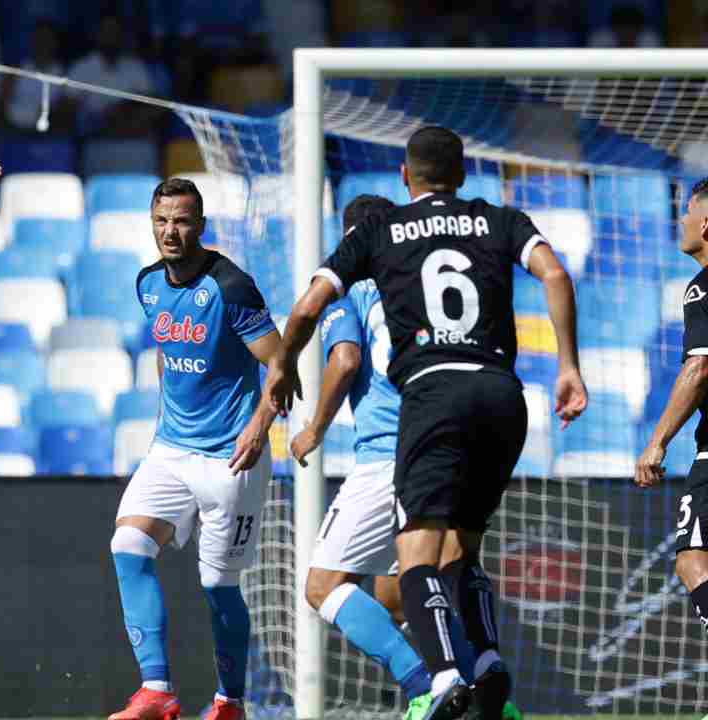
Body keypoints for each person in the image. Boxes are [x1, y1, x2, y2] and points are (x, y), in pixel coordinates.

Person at [266, 126, 587, 720]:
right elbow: (557, 275)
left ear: (405, 178)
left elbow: (313, 311)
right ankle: (486, 667)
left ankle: (434, 683)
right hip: (501, 398)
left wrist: (282, 367)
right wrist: (568, 366)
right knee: (451, 561)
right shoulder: (498, 218)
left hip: (428, 406)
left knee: (404, 562)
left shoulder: (379, 238)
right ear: (463, 175)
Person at [292, 195, 523, 720]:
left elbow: (346, 358)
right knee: (410, 588)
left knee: (323, 586)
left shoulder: (347, 285)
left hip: (385, 452)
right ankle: (486, 690)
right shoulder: (415, 279)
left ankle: (424, 686)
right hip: (451, 438)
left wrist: (315, 428)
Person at [109, 178, 280, 720]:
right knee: (127, 546)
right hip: (171, 450)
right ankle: (156, 691)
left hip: (232, 456)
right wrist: (168, 419)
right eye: (161, 221)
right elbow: (168, 350)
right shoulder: (147, 284)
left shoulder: (231, 286)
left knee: (218, 585)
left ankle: (230, 703)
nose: (170, 232)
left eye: (181, 221)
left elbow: (281, 363)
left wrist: (259, 425)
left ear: (200, 226)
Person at [635, 176, 708, 636]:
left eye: (687, 211)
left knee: (694, 562)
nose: (680, 220)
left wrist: (656, 442)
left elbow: (700, 368)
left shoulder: (702, 288)